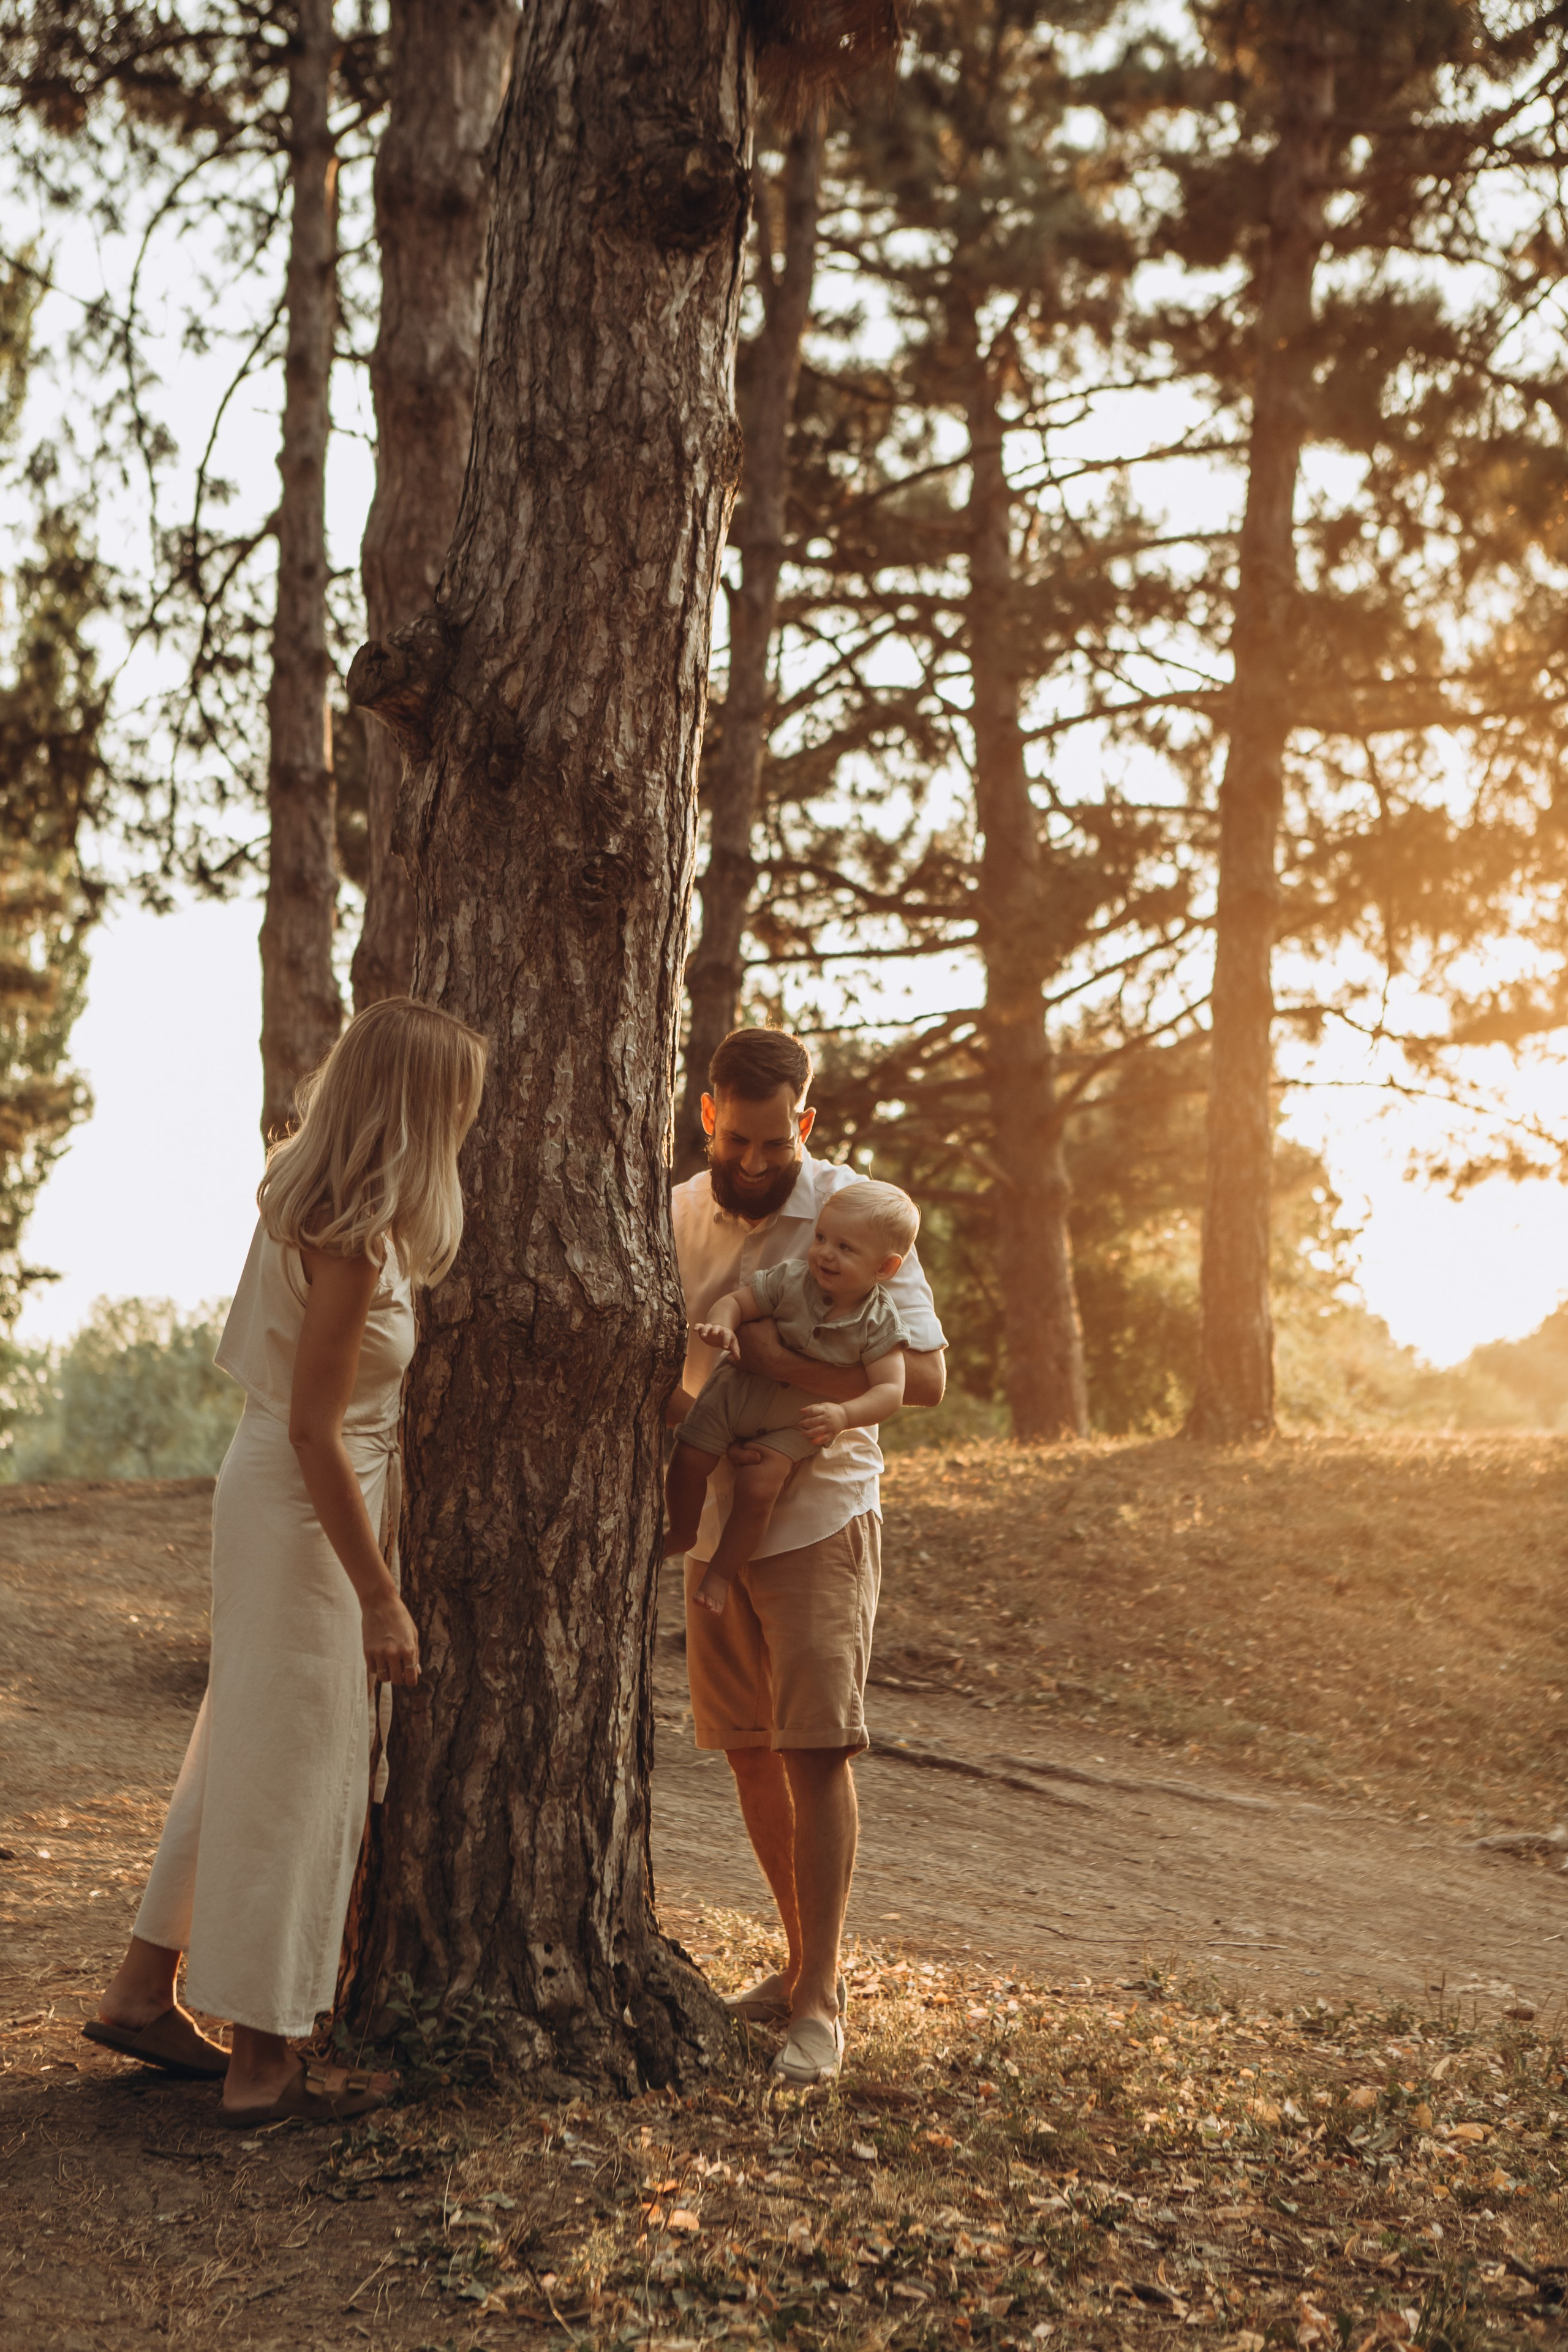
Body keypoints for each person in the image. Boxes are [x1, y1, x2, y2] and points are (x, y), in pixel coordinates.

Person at [83, 998, 488, 2128]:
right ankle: (265, 2060)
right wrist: (380, 1596)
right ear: (414, 1110)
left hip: (283, 1488)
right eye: (456, 1101)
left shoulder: (311, 1197)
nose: (468, 1121)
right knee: (300, 1774)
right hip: (311, 1506)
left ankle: (137, 1990)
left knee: (241, 1742)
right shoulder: (352, 1237)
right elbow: (318, 1427)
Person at [669, 1027, 946, 2087]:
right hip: (715, 1525)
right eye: (735, 1140)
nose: (752, 1161)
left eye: (773, 1142)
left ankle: (823, 2001)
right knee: (749, 1745)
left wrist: (778, 1364)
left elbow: (922, 1382)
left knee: (816, 1748)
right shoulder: (677, 1212)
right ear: (708, 1115)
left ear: (807, 1123)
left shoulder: (854, 1214)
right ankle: (795, 1970)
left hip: (820, 1515)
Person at [668, 1182, 920, 1619]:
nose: (824, 1253)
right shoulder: (790, 1279)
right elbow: (738, 1302)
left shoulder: (880, 1323)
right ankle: (682, 1531)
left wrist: (843, 1414)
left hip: (792, 1425)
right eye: (821, 1238)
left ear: (886, 1267)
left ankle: (722, 1574)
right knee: (689, 1457)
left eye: (845, 1247)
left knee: (759, 1489)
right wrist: (723, 1326)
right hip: (733, 1394)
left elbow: (890, 1392)